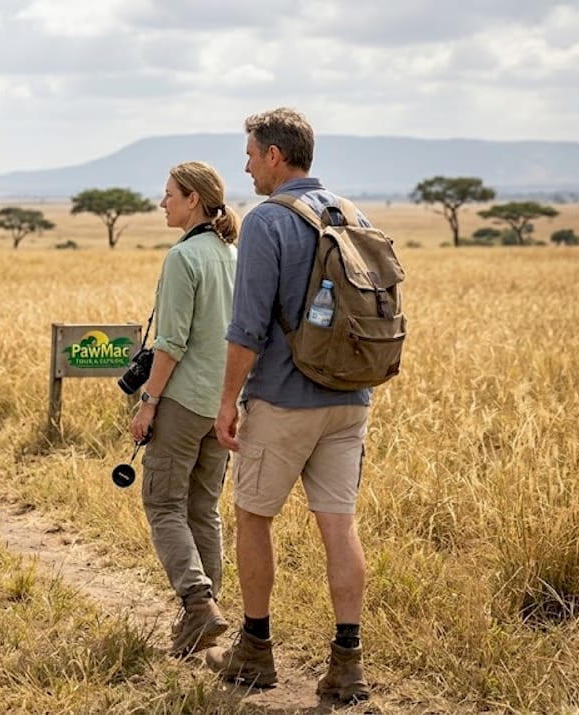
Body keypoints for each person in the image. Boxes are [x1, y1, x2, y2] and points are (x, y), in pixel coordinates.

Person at [203, 108, 373, 704]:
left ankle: (254, 651)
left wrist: (228, 402)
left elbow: (246, 328)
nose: (245, 165)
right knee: (339, 525)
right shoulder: (353, 214)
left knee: (253, 516)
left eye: (250, 154)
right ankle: (347, 661)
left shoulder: (266, 220)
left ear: (275, 156)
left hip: (283, 397)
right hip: (351, 397)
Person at [129, 161, 238, 657]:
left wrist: (147, 403)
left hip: (182, 400)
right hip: (223, 405)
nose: (163, 201)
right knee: (204, 508)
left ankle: (198, 604)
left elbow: (170, 343)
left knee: (164, 504)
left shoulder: (184, 258)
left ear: (193, 199)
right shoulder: (233, 254)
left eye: (170, 193)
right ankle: (202, 620)